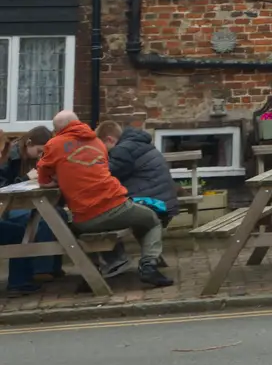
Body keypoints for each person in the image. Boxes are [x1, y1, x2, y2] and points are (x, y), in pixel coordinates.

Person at [36, 111, 172, 288]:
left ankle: (92, 271)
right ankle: (148, 266)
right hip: (116, 207)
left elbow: (43, 179)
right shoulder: (97, 142)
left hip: (84, 217)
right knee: (152, 220)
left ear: (58, 129)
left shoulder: (53, 145)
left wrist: (57, 179)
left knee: (68, 228)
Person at [0, 126, 62, 296]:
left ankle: (53, 268)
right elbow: (3, 187)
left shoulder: (41, 159)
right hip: (12, 207)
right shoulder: (9, 157)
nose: (41, 155)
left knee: (58, 215)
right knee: (37, 222)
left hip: (35, 203)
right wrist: (26, 178)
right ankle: (39, 271)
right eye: (40, 150)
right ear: (28, 143)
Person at [99, 121, 178, 224]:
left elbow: (104, 174)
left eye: (102, 146)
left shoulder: (123, 150)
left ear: (109, 139)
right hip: (165, 203)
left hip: (153, 206)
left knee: (104, 214)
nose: (103, 151)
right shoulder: (137, 143)